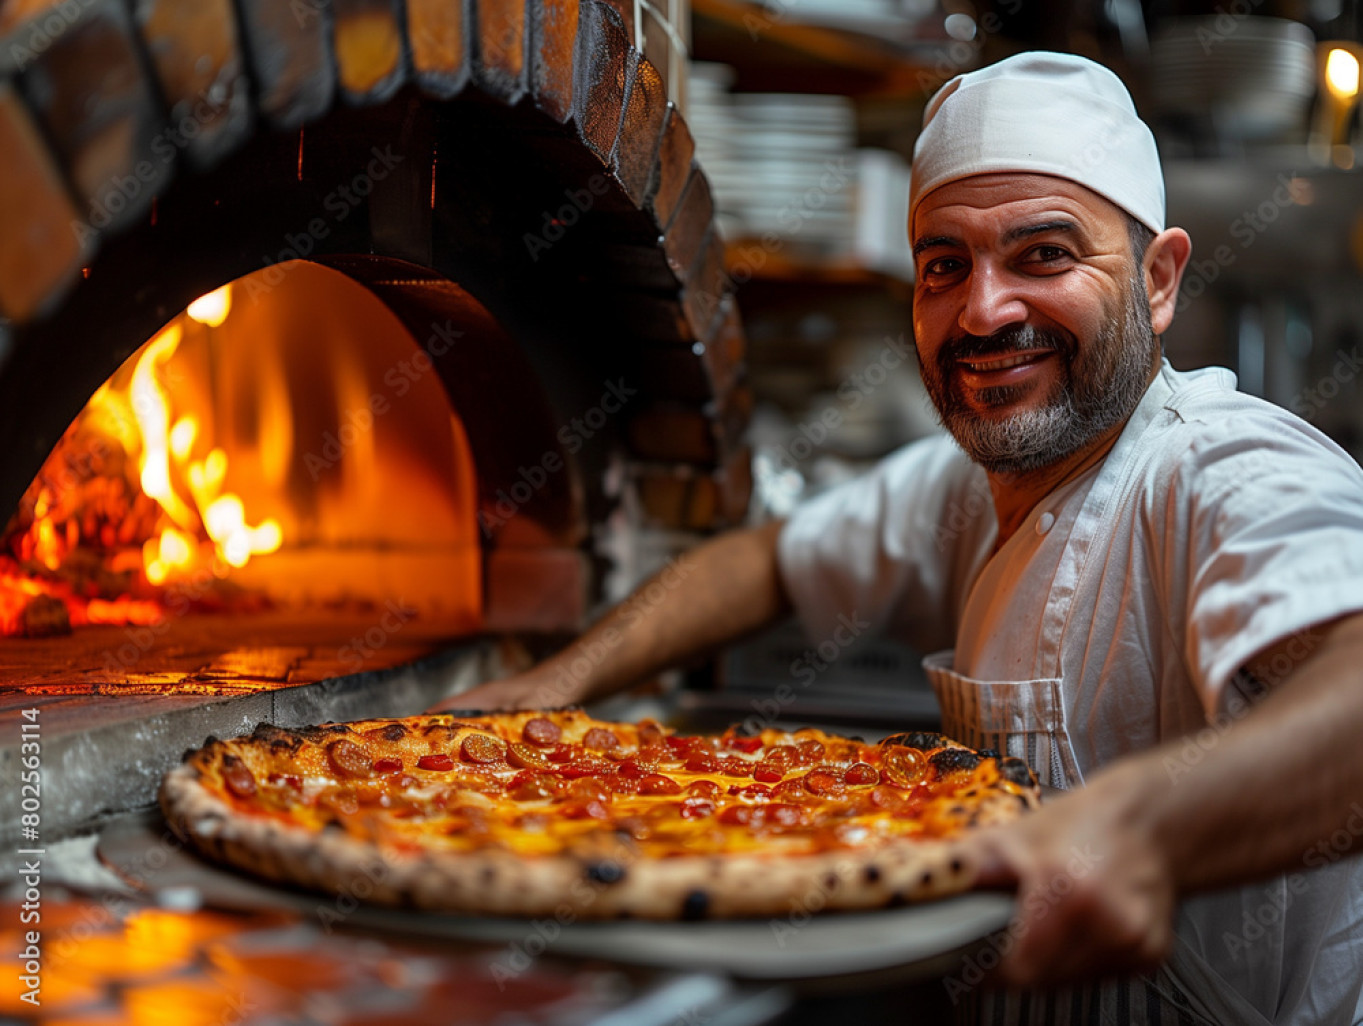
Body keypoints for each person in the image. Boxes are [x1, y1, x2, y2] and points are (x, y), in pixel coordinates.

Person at [439, 52, 1363, 1023]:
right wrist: (560, 685)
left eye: (1044, 254)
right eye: (943, 267)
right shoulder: (969, 485)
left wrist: (1147, 831)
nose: (983, 310)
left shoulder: (1221, 469)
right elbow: (765, 563)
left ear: (1159, 279)